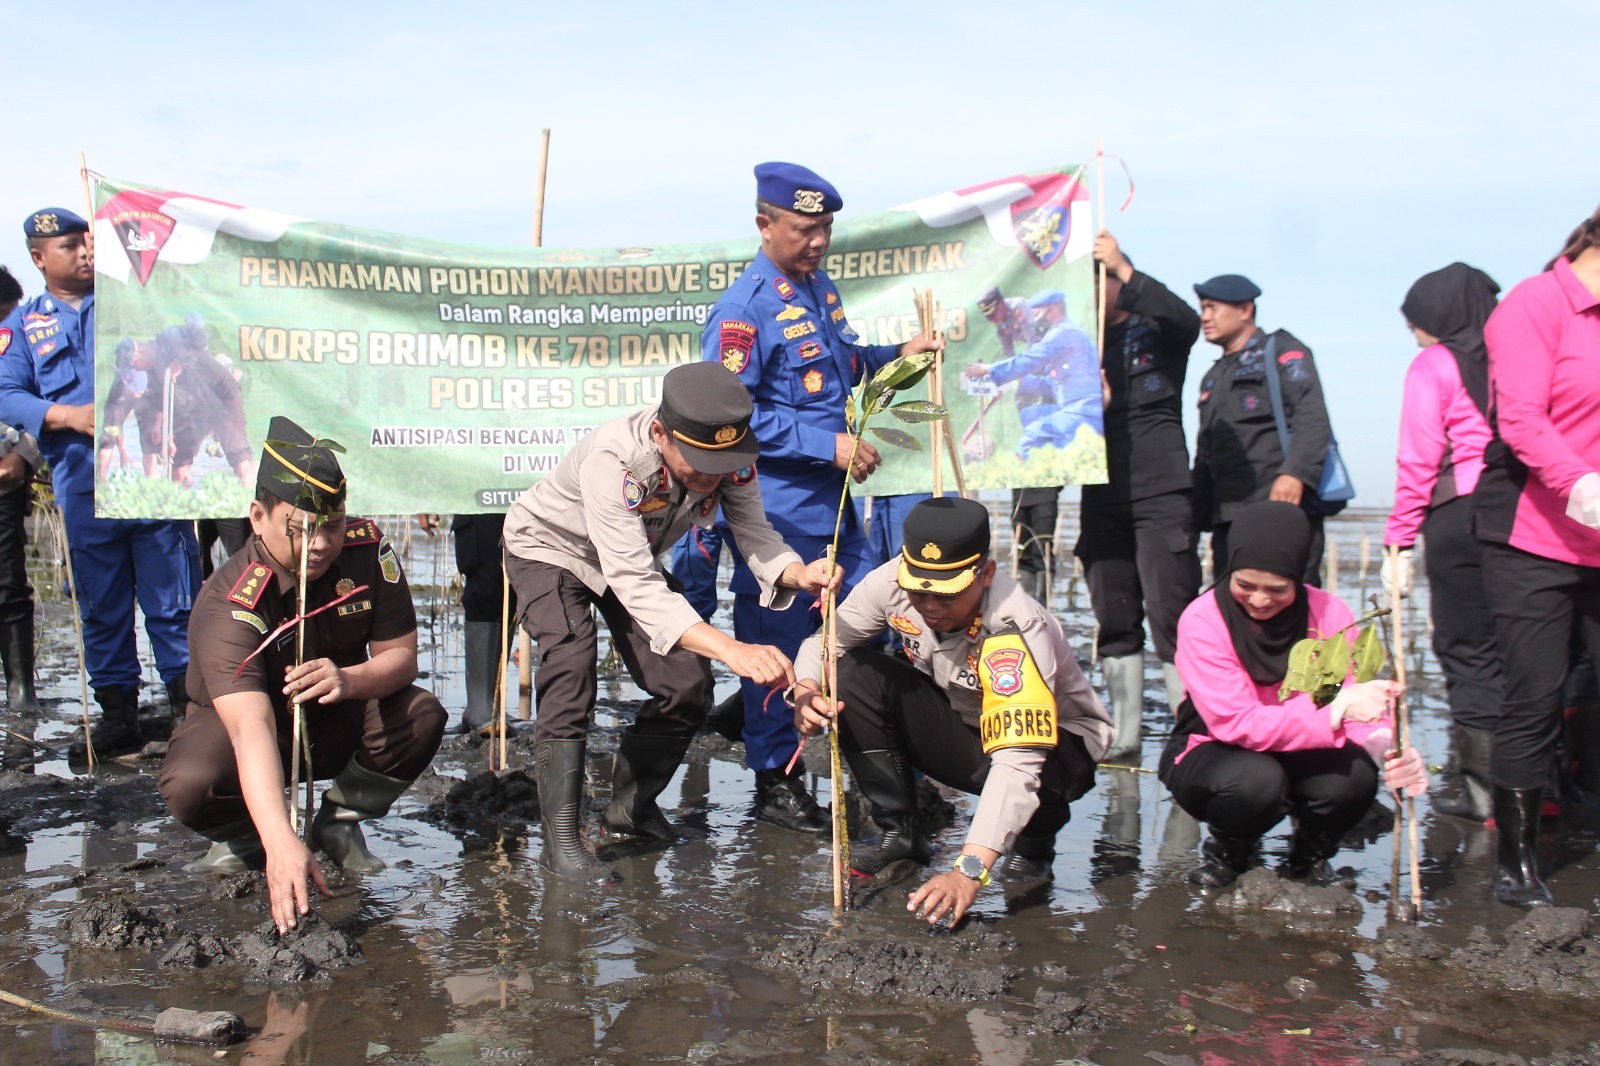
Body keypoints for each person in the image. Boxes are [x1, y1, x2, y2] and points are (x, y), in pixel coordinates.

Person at [502, 361, 839, 884]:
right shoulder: (614, 460)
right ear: (660, 432)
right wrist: (731, 649)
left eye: (722, 462)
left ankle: (630, 808)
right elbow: (634, 581)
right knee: (571, 662)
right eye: (700, 462)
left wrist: (798, 573)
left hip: (627, 559)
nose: (712, 476)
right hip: (550, 548)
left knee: (686, 682)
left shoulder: (733, 462)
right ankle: (562, 840)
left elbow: (755, 532)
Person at [701, 162, 941, 832]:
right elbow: (726, 416)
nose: (817, 242)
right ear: (764, 224)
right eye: (804, 230)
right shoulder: (743, 312)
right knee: (776, 643)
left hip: (839, 510)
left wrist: (903, 356)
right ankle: (775, 785)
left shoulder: (817, 289)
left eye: (826, 229)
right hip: (775, 513)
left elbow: (846, 365)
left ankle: (865, 764)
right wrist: (826, 443)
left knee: (865, 631)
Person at [158, 417, 446, 934]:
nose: (319, 544)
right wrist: (279, 840)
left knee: (421, 713)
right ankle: (247, 837)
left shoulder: (366, 550)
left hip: (330, 715)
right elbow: (252, 730)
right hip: (242, 735)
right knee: (190, 781)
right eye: (300, 529)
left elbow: (401, 657)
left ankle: (338, 821)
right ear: (257, 517)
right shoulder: (232, 599)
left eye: (331, 526)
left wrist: (349, 679)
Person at [791, 497, 1112, 927]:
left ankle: (1035, 841)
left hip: (1051, 746)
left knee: (1036, 779)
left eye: (946, 593)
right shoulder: (890, 582)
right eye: (918, 590)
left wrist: (969, 870)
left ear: (986, 574)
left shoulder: (1016, 627)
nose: (929, 606)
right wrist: (807, 690)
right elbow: (826, 643)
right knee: (851, 674)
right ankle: (900, 834)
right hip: (963, 723)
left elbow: (1019, 761)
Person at [0, 208, 200, 755]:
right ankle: (119, 716)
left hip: (150, 482)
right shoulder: (24, 324)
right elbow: (7, 391)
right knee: (101, 604)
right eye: (69, 245)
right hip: (83, 485)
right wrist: (68, 417)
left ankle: (189, 711)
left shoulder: (132, 304)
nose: (85, 252)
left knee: (173, 599)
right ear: (39, 258)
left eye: (88, 242)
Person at [1159, 501, 1427, 889]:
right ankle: (1231, 855)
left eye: (1277, 589)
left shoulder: (1330, 612)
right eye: (1245, 585)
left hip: (1304, 745)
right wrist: (1340, 707)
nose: (1260, 600)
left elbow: (1352, 701)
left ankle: (1307, 860)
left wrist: (1387, 747)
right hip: (1213, 747)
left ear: (1298, 576)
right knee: (1257, 783)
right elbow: (1237, 722)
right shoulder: (1202, 620)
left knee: (1354, 779)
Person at [1473, 204, 1600, 908]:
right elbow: (1520, 416)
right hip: (1536, 535)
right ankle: (1516, 867)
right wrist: (1580, 484)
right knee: (1536, 696)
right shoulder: (1537, 304)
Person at [1383, 263, 1505, 823]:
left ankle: (1484, 794)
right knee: (1530, 649)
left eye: (1417, 323)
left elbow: (1419, 458)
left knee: (1469, 647)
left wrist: (1399, 541)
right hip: (1524, 512)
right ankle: (1545, 787)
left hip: (1460, 513)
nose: (1416, 335)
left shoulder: (1435, 364)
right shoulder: (1516, 355)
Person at [1077, 232, 1203, 760]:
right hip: (1103, 491)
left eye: (1096, 285)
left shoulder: (1158, 329)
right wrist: (1092, 405)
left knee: (1173, 612)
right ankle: (1125, 736)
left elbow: (1187, 321)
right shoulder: (1079, 345)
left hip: (1161, 489)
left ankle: (1187, 735)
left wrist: (1124, 267)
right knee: (1115, 612)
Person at [1191, 275, 1333, 585]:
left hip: (1279, 509)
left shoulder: (1282, 352)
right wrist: (1196, 515)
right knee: (1231, 607)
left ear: (1245, 309)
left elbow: (1312, 418)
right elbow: (1205, 452)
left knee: (1294, 606)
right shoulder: (1213, 376)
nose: (1205, 317)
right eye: (1202, 308)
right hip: (1228, 518)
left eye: (1213, 307)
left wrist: (1295, 473)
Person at [963, 290, 1102, 459]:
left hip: (1085, 408)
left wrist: (990, 369)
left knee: (1033, 436)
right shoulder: (1058, 335)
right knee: (1028, 415)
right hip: (1069, 405)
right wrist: (1017, 381)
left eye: (1035, 314)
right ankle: (1065, 453)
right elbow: (1051, 384)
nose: (1033, 320)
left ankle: (1021, 472)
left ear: (1052, 311)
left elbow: (1031, 358)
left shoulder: (1062, 333)